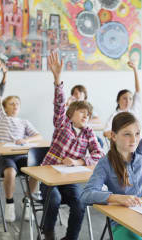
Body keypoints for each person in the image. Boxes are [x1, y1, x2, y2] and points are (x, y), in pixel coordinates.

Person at [81, 59, 142, 240]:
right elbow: (87, 194)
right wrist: (116, 198)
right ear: (113, 136)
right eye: (127, 134)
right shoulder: (106, 163)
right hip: (123, 223)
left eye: (136, 134)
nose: (133, 139)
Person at [40, 52, 104, 240]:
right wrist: (57, 79)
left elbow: (99, 155)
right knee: (54, 200)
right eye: (82, 112)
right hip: (49, 174)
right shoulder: (62, 124)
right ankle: (48, 233)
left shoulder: (88, 132)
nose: (85, 116)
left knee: (80, 201)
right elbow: (59, 105)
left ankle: (70, 238)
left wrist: (78, 161)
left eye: (88, 114)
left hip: (70, 178)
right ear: (71, 115)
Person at [0, 60, 42, 222]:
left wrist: (26, 139)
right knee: (10, 173)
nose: (15, 106)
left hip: (21, 155)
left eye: (17, 104)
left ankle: (28, 201)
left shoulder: (24, 122)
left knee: (36, 170)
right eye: (12, 104)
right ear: (5, 108)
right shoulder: (1, 118)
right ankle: (9, 204)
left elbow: (38, 136)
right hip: (5, 157)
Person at [103, 61, 141, 139]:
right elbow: (106, 132)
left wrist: (135, 70)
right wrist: (121, 138)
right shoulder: (115, 116)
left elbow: (138, 91)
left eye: (130, 99)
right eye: (124, 98)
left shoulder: (134, 111)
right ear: (118, 101)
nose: (128, 101)